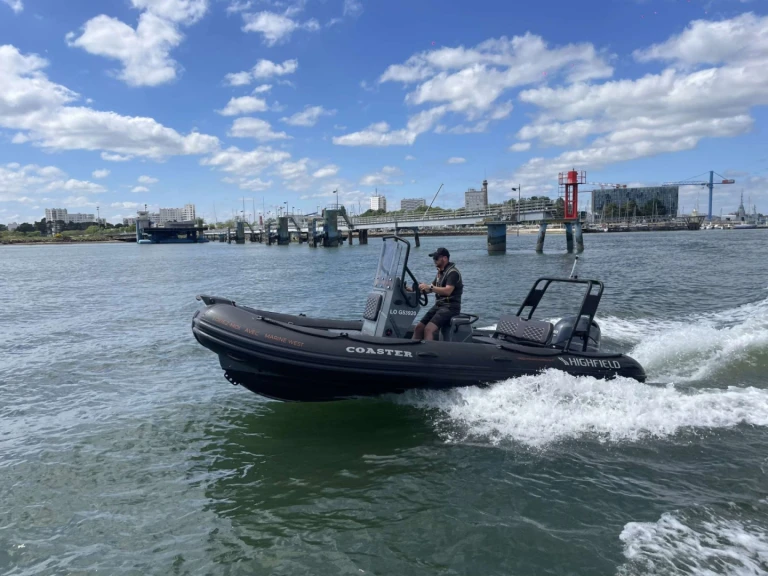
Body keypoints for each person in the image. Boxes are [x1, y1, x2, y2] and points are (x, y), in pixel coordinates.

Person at [412, 247, 463, 341]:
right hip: (439, 306)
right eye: (433, 258)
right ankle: (412, 352)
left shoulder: (453, 273)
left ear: (444, 258)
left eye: (436, 258)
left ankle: (428, 353)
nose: (434, 260)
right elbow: (430, 289)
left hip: (450, 307)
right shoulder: (440, 273)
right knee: (419, 327)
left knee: (428, 329)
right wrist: (413, 290)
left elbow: (448, 291)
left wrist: (430, 287)